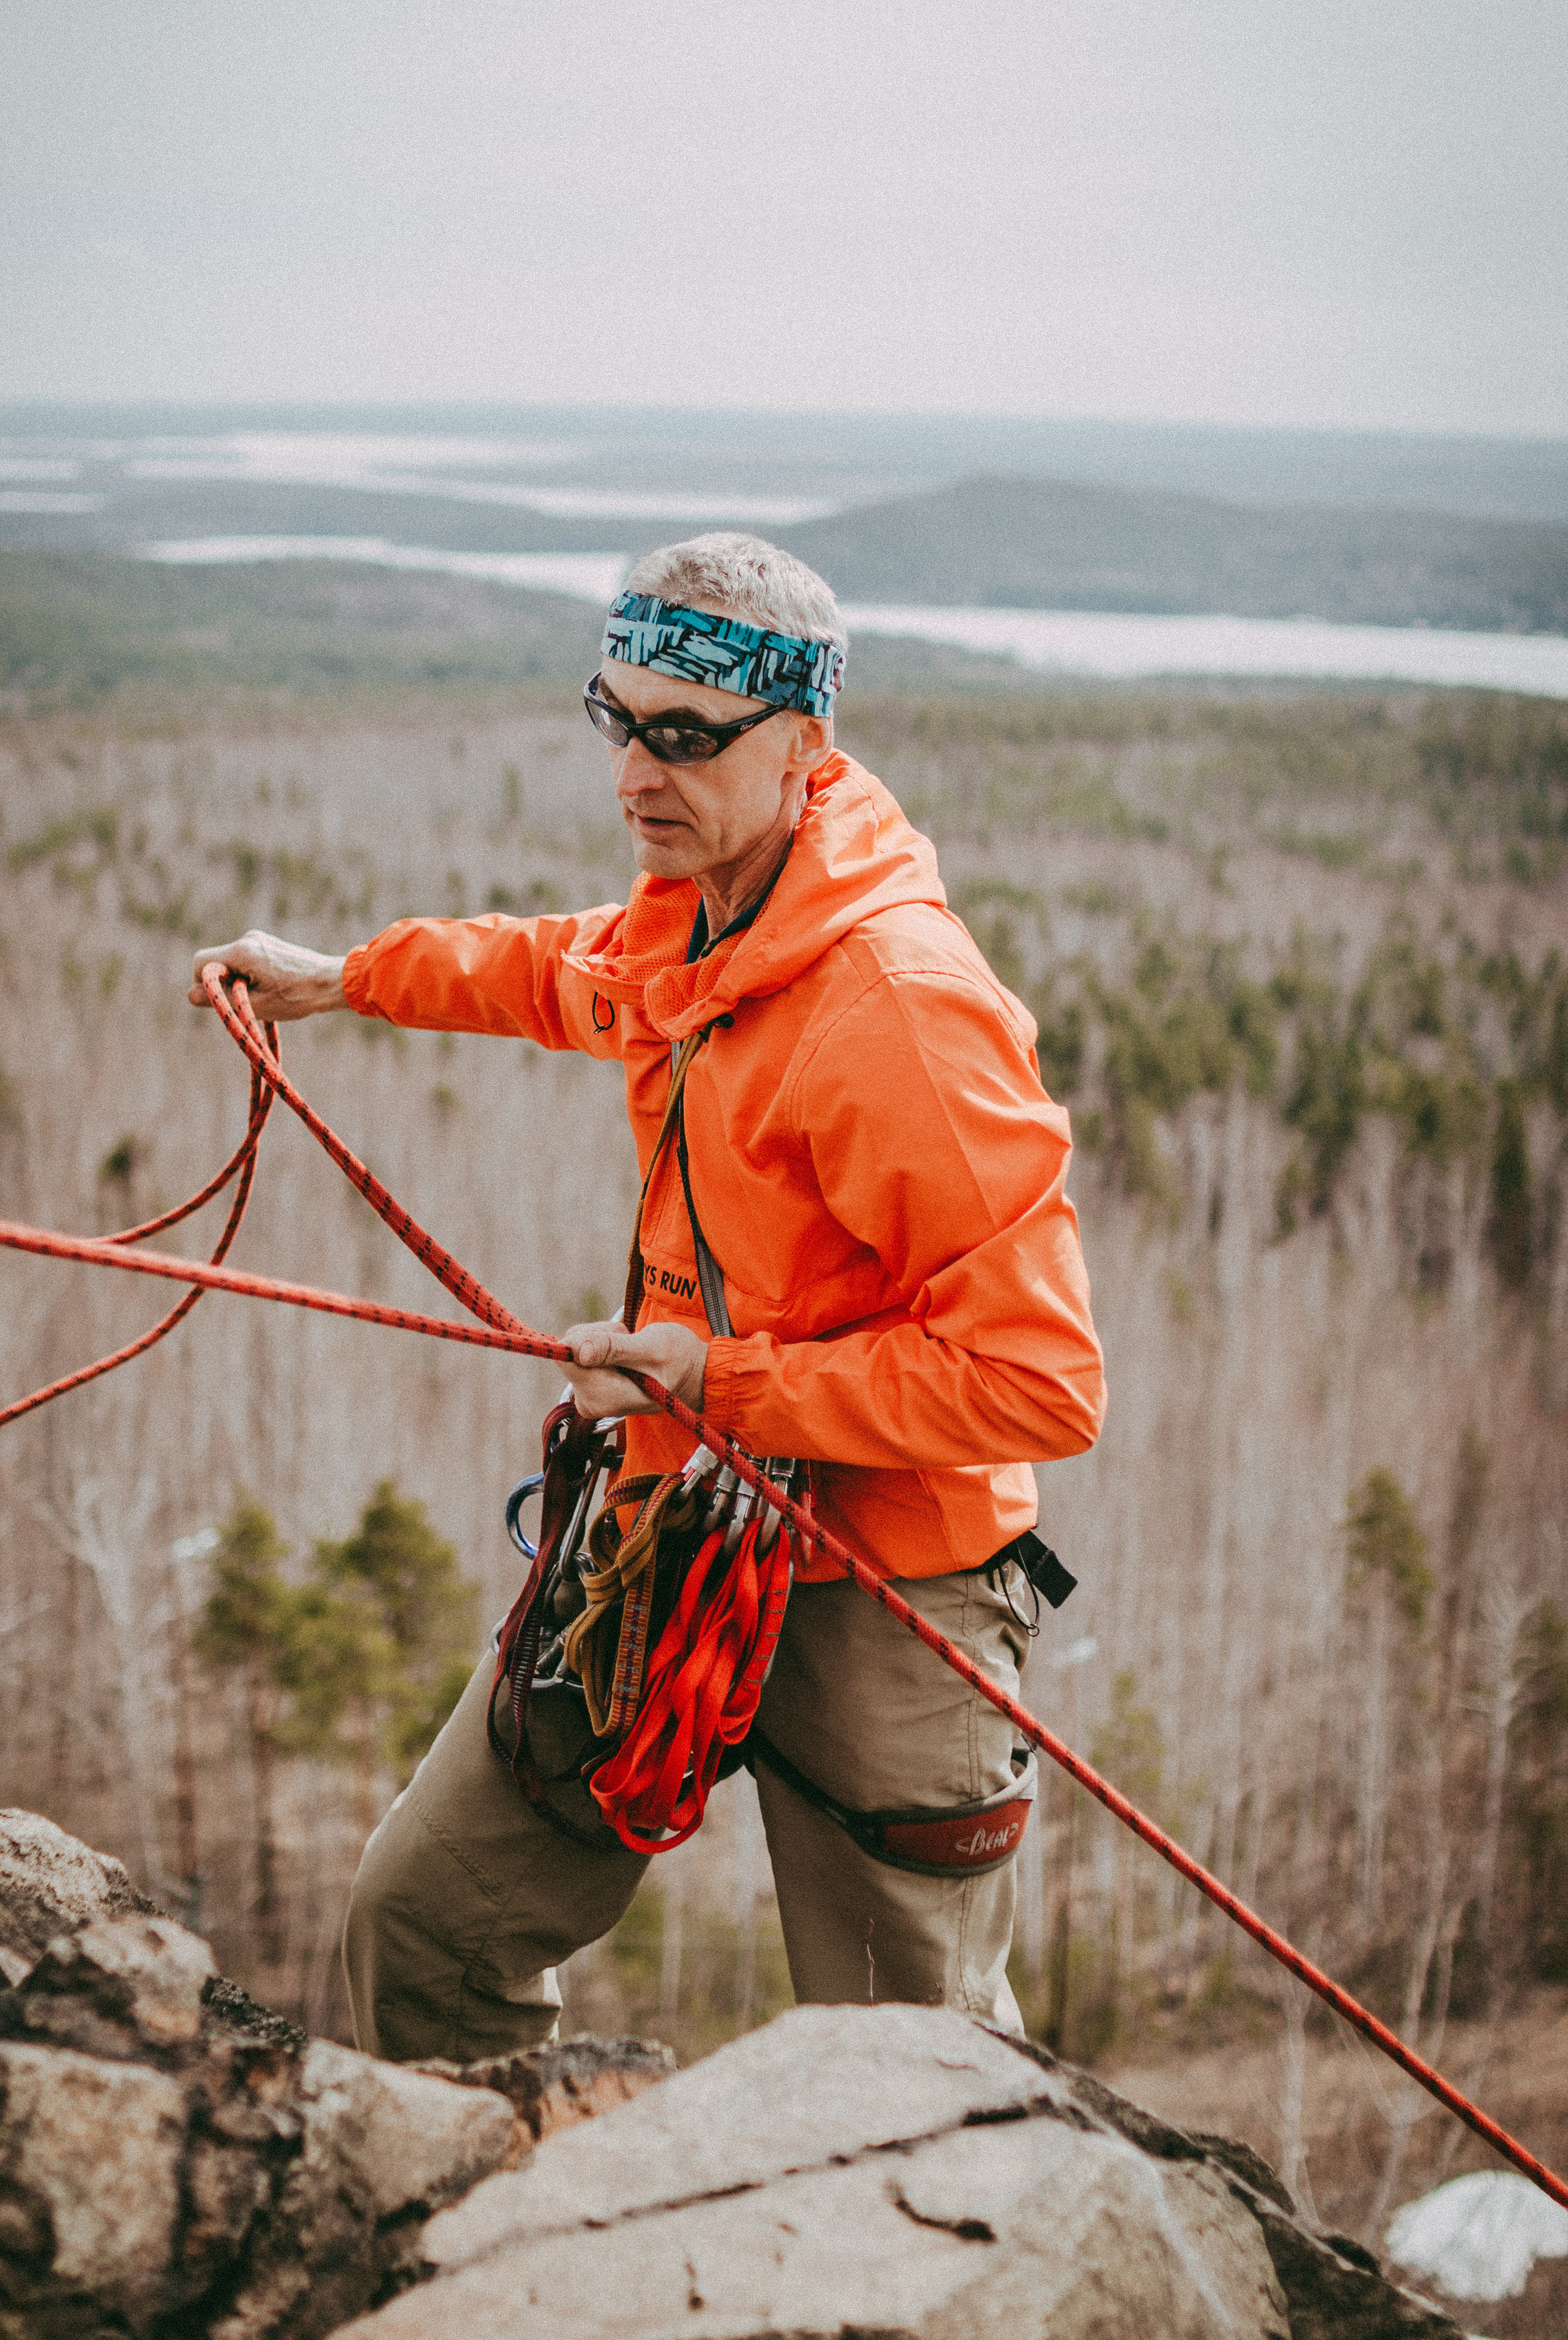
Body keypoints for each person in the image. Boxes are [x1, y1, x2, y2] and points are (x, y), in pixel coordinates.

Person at [190, 531, 1105, 2059]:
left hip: (887, 1585)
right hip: (672, 1533)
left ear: (802, 743)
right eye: (616, 718)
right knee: (424, 1930)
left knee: (905, 2078)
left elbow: (1037, 1381)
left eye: (684, 734)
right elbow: (567, 971)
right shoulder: (701, 911)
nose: (635, 770)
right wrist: (346, 976)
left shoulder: (897, 1008)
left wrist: (715, 1382)